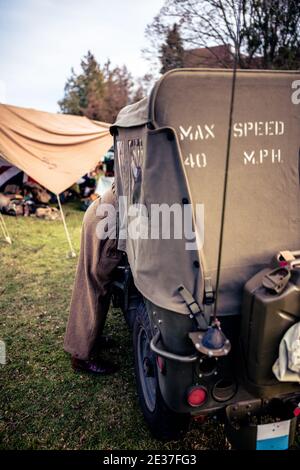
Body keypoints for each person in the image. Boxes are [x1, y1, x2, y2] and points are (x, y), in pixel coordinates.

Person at [64, 182, 122, 375]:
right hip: (107, 222)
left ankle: (87, 339)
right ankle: (82, 356)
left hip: (103, 215)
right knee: (95, 288)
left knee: (89, 284)